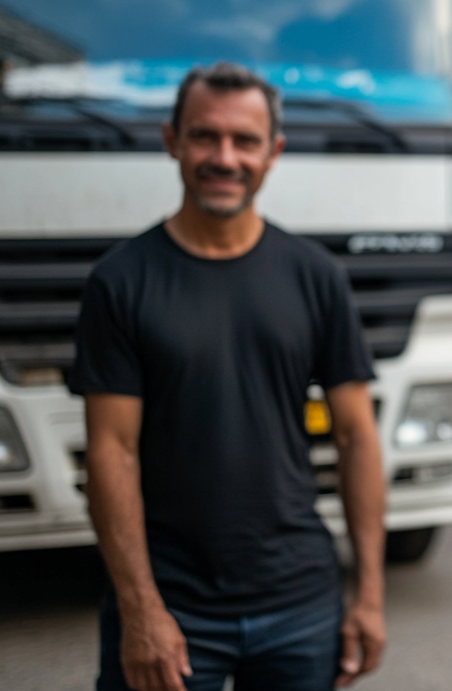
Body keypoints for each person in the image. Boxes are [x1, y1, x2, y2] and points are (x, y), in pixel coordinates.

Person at [74, 63, 387, 691]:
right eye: (204, 136)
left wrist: (371, 596)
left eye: (245, 141)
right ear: (171, 141)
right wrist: (140, 611)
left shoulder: (315, 276)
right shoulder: (120, 282)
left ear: (274, 152)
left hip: (300, 603)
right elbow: (113, 449)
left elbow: (356, 437)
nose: (225, 158)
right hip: (171, 605)